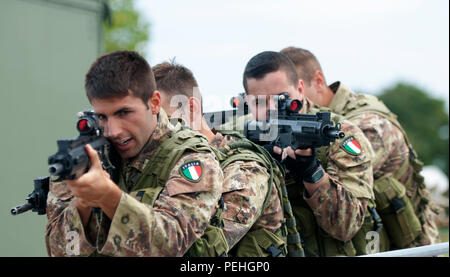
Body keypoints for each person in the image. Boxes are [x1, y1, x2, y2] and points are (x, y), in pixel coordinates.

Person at [45, 50, 224, 256]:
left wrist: (107, 196)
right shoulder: (83, 159)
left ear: (155, 103)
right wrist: (83, 203)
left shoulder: (192, 158)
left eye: (124, 113)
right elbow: (61, 251)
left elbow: (172, 243)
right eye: (102, 117)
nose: (113, 131)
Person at [280, 46, 440, 248]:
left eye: (291, 94)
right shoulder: (321, 119)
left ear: (318, 82)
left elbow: (342, 179)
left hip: (410, 246)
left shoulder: (368, 124)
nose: (289, 106)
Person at [153, 61, 304, 257]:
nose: (156, 131)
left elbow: (203, 251)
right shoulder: (169, 162)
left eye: (163, 120)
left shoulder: (244, 170)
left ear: (191, 108)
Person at [241, 51, 377, 256]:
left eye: (281, 99)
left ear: (300, 89)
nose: (272, 109)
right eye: (260, 102)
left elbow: (347, 227)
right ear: (247, 101)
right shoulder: (241, 134)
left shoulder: (341, 136)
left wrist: (311, 172)